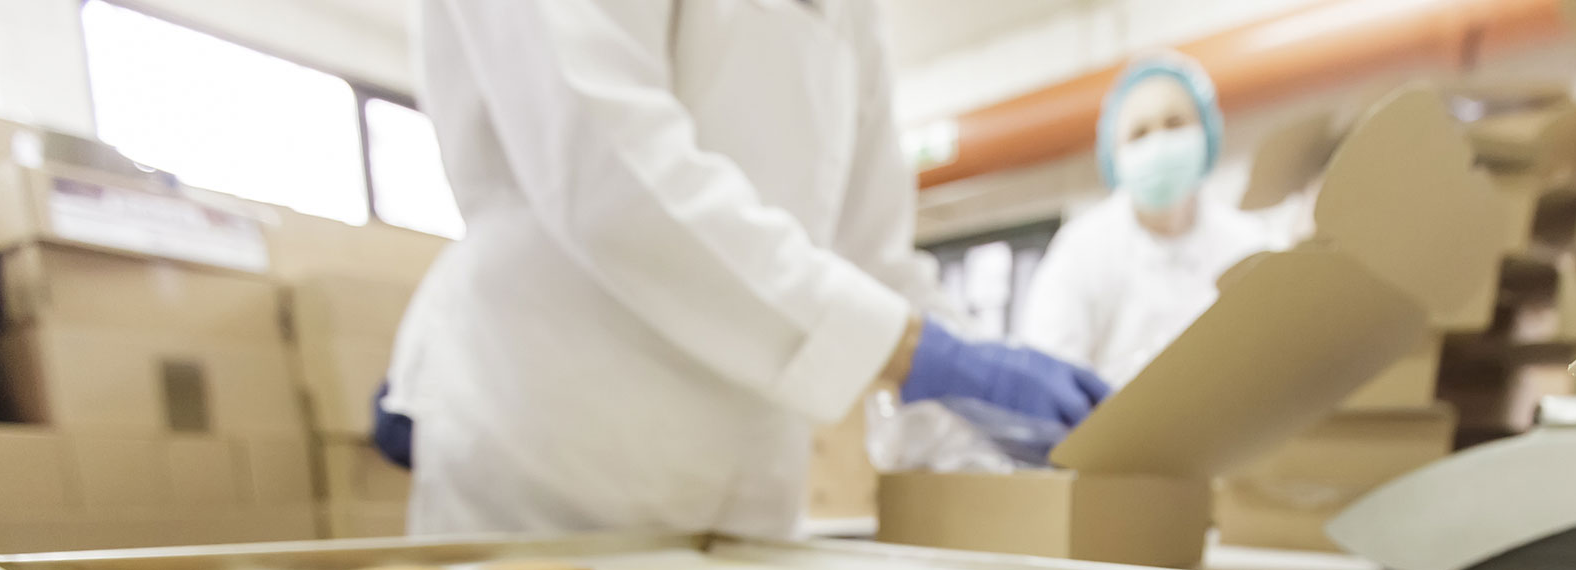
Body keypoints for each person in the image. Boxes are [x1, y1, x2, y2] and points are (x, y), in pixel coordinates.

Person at [384, 0, 1109, 535]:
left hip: (745, 478)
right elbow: (614, 178)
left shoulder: (855, 16)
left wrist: (980, 397)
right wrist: (917, 351)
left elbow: (872, 258)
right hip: (557, 452)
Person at [1020, 53, 1287, 388]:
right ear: (1115, 154)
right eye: (1139, 133)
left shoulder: (1253, 246)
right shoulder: (1080, 252)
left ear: (1205, 131)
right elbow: (1047, 378)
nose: (1158, 143)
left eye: (1174, 123)